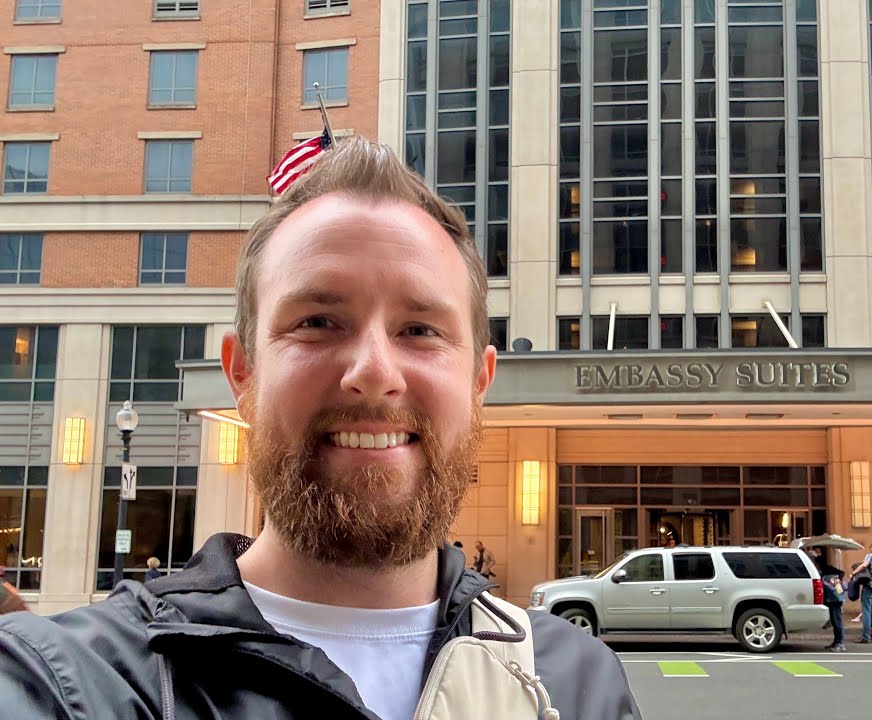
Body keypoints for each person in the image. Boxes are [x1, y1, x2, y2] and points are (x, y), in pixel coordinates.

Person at [0, 136, 641, 719]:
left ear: (479, 384)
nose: (372, 371)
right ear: (243, 374)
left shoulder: (578, 684)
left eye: (420, 330)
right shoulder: (67, 683)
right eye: (317, 322)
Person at [850, 542, 872, 644]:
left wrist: (854, 573)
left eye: (870, 547)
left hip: (869, 587)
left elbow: (864, 565)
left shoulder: (870, 556)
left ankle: (866, 637)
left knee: (866, 612)